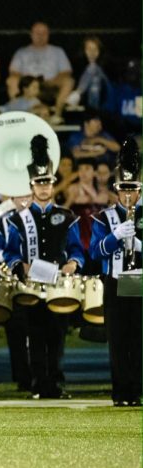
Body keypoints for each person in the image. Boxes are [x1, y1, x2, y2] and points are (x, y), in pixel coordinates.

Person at [3, 135, 85, 400]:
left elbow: (76, 249)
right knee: (35, 335)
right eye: (39, 183)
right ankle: (39, 383)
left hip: (59, 283)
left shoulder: (67, 216)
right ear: (32, 185)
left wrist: (74, 262)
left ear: (53, 185)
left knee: (57, 335)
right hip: (32, 286)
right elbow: (9, 251)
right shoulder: (18, 219)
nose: (43, 187)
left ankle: (54, 382)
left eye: (47, 182)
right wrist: (20, 265)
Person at [89, 138, 142, 406]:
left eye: (134, 189)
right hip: (115, 283)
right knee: (119, 340)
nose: (129, 195)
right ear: (116, 190)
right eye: (124, 189)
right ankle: (121, 392)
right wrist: (114, 238)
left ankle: (139, 390)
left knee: (140, 339)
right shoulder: (103, 218)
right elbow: (94, 252)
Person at [0, 192, 33, 392]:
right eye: (19, 197)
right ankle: (23, 377)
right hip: (15, 283)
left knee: (42, 329)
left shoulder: (43, 219)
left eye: (28, 196)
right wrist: (11, 263)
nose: (24, 201)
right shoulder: (4, 222)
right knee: (16, 329)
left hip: (42, 281)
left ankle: (46, 375)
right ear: (12, 199)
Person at [8, 22, 73, 120]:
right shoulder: (22, 52)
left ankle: (57, 114)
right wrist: (27, 82)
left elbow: (66, 71)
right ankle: (18, 114)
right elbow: (13, 71)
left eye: (44, 33)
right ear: (31, 35)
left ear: (48, 35)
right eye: (37, 33)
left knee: (69, 81)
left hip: (50, 85)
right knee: (11, 80)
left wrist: (54, 80)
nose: (40, 36)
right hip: (28, 87)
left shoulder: (58, 51)